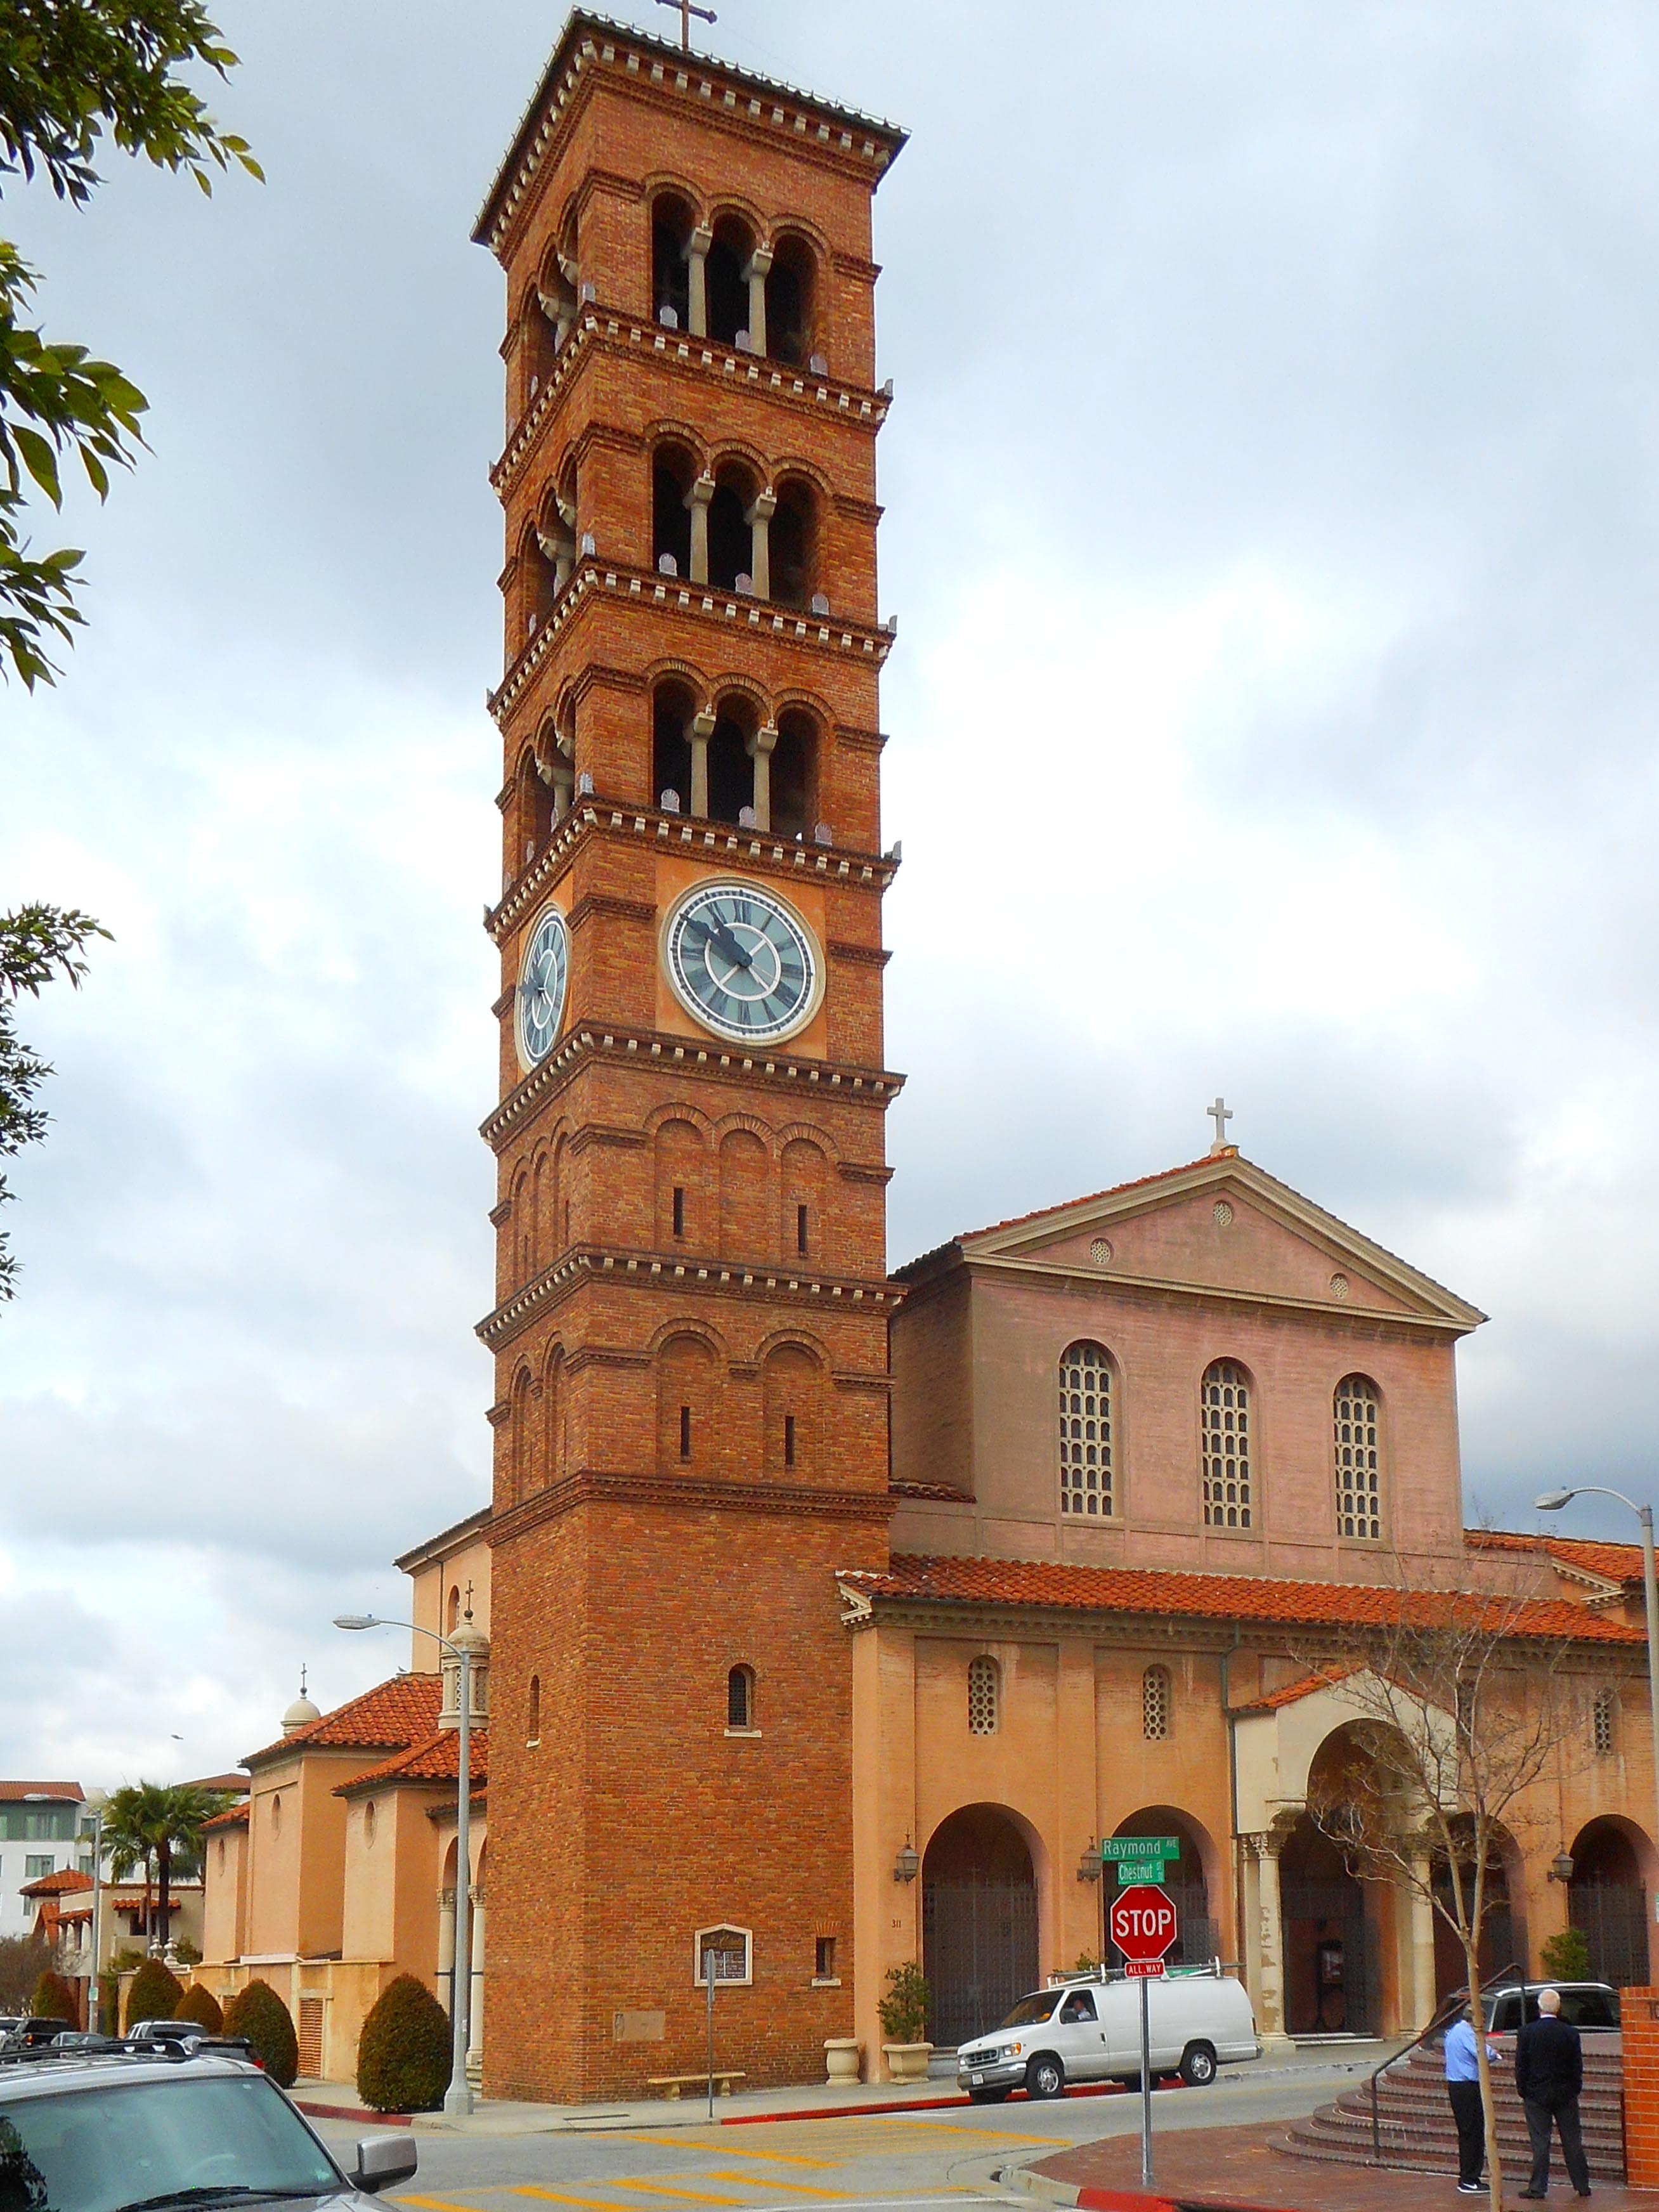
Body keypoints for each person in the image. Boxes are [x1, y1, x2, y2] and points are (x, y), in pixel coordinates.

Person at [1514, 1984, 1591, 2199]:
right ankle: (1582, 2184)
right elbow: (1577, 2065)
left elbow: (1521, 2065)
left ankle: (1538, 2186)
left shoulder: (1526, 2033)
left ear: (1539, 2007)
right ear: (1558, 2008)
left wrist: (1524, 2090)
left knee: (1540, 2142)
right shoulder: (1570, 2033)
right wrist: (1574, 2088)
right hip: (1565, 2093)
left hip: (1536, 2094)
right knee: (1572, 2141)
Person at [1443, 2000, 1502, 2195]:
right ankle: (1470, 2179)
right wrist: (1495, 2054)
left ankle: (1468, 2177)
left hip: (1456, 2085)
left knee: (1468, 2132)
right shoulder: (1467, 2033)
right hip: (1467, 2086)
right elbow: (1483, 2053)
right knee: (1473, 2132)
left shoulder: (1454, 2031)